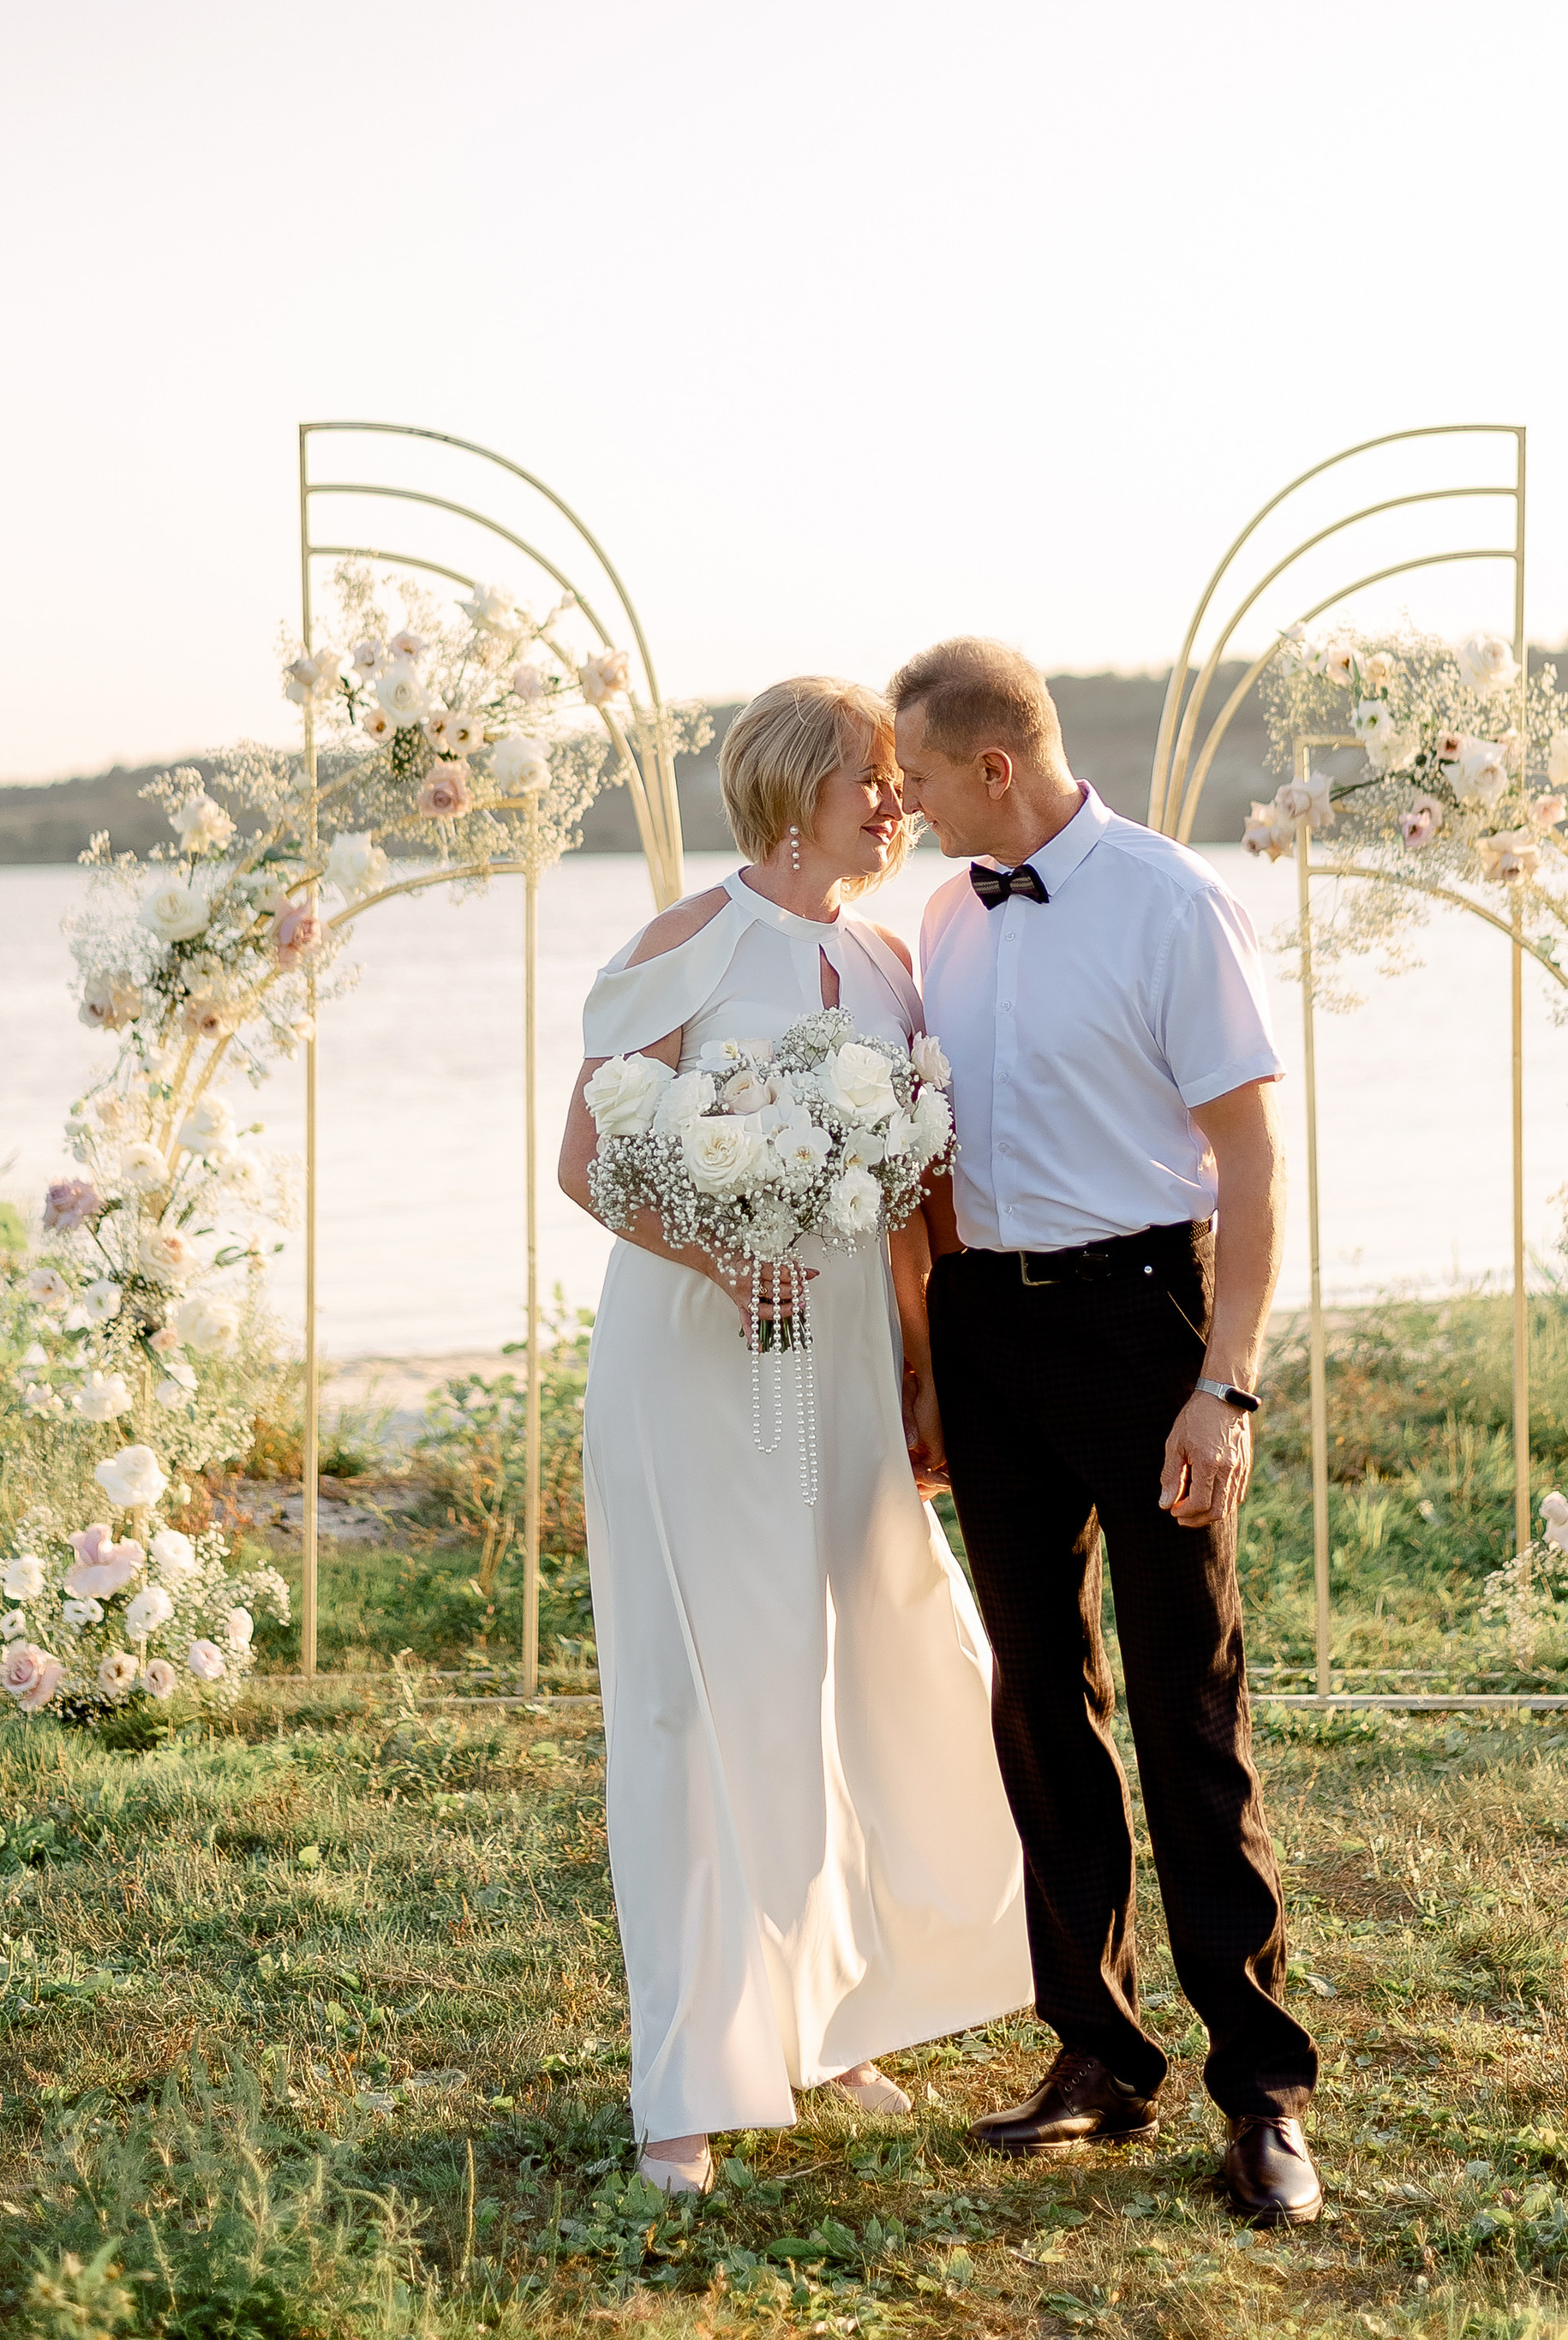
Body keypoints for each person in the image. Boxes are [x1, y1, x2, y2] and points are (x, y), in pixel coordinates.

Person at [559, 675, 1031, 2197]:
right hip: (694, 1356)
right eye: (869, 776)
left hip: (839, 1365)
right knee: (693, 1695)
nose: (897, 802)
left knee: (859, 1667)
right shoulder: (687, 942)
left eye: (901, 778)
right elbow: (587, 1158)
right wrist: (717, 1250)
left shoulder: (891, 962)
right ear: (789, 789)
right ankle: (687, 2081)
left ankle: (837, 2018)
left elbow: (907, 1207)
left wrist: (923, 1373)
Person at [890, 636, 1323, 2226]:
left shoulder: (1171, 903)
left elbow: (1254, 1164)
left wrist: (1225, 1384)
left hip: (1144, 1323)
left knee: (1186, 1703)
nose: (905, 805)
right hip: (987, 1329)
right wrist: (933, 1363)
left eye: (920, 777)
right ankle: (1097, 2049)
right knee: (1039, 1699)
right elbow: (933, 1162)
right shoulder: (943, 915)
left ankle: (1263, 2093)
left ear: (994, 765)